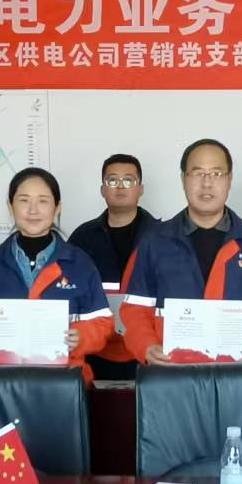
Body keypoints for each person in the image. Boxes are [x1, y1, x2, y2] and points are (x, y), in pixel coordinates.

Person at [122, 139, 242, 364]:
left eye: (216, 174)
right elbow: (135, 309)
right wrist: (146, 347)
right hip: (172, 373)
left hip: (238, 374)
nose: (207, 183)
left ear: (229, 179)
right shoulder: (155, 242)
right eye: (198, 173)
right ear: (183, 179)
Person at [0, 168, 113, 382]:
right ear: (10, 206)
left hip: (62, 382)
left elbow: (103, 323)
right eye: (24, 200)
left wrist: (82, 336)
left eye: (43, 201)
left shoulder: (79, 263)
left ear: (58, 207)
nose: (33, 210)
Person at [67, 153, 159, 380]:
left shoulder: (162, 236)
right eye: (112, 180)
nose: (120, 186)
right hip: (96, 350)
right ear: (102, 189)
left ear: (140, 189)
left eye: (128, 180)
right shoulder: (82, 237)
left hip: (150, 348)